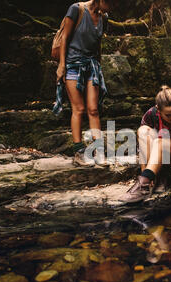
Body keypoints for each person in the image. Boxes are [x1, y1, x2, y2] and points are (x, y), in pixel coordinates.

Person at [56, 0, 114, 166]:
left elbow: (98, 43)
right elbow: (65, 37)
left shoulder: (104, 17)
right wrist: (61, 66)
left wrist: (99, 65)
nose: (112, 7)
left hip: (92, 66)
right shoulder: (76, 9)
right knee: (79, 108)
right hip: (73, 65)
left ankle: (98, 151)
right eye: (111, 3)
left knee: (93, 109)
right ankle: (79, 152)